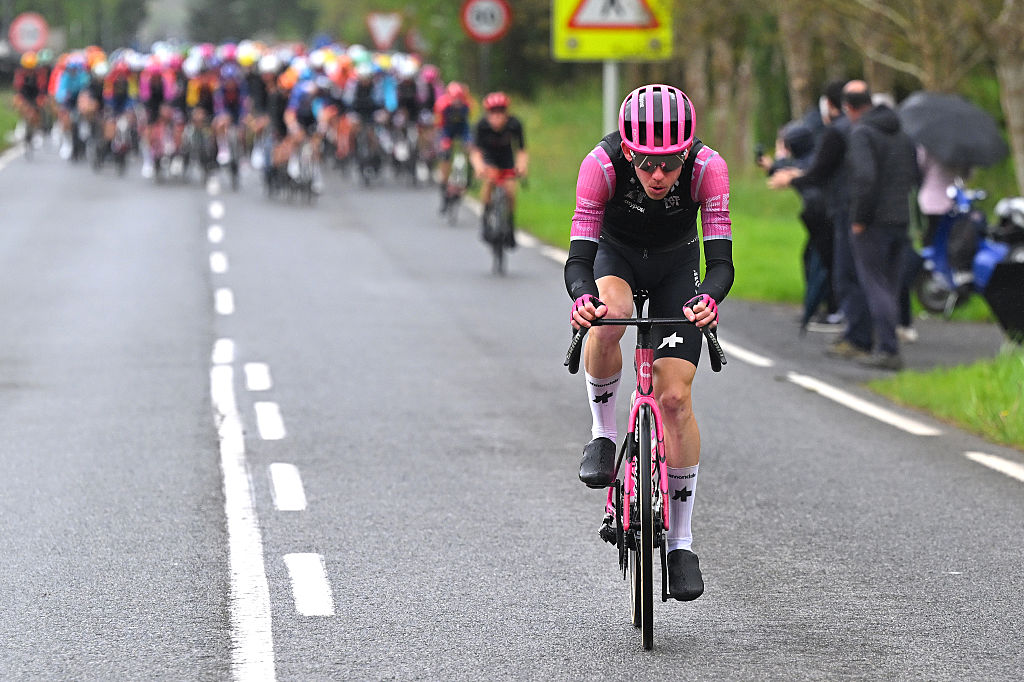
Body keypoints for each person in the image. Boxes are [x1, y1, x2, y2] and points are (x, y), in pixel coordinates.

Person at [565, 84, 734, 601]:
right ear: (629, 153)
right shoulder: (601, 164)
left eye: (669, 164)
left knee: (675, 399)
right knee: (608, 316)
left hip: (676, 267)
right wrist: (582, 299)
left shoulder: (709, 168)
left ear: (685, 153)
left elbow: (721, 260)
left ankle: (681, 542)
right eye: (646, 165)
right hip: (615, 257)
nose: (658, 176)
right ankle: (603, 433)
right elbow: (579, 258)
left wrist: (708, 297)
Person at [844, 81, 921, 370]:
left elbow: (865, 179)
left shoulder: (862, 132)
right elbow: (915, 174)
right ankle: (889, 342)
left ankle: (888, 349)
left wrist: (860, 219)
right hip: (901, 219)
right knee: (890, 284)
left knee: (876, 285)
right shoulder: (902, 133)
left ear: (850, 108)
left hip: (873, 222)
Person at [761, 121, 838, 332]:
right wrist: (774, 166)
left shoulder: (810, 164)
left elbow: (801, 174)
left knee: (824, 266)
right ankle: (823, 307)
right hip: (820, 224)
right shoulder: (810, 159)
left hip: (824, 223)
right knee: (814, 261)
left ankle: (832, 311)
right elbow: (793, 170)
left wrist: (783, 170)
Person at [470, 91, 528, 247]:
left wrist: (522, 167)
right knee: (489, 181)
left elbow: (522, 150)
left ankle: (509, 224)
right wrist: (479, 167)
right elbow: (476, 152)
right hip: (489, 158)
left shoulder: (515, 124)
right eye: (493, 113)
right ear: (487, 114)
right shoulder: (482, 126)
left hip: (506, 158)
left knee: (510, 191)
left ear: (507, 113)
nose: (497, 117)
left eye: (501, 112)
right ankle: (486, 217)